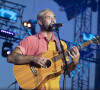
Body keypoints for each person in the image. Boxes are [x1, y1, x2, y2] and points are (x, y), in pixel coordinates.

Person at [7, 9, 80, 90]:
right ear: (40, 22)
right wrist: (33, 58)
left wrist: (74, 63)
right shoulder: (30, 40)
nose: (53, 20)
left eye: (54, 18)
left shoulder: (61, 45)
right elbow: (11, 57)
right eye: (49, 18)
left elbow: (65, 71)